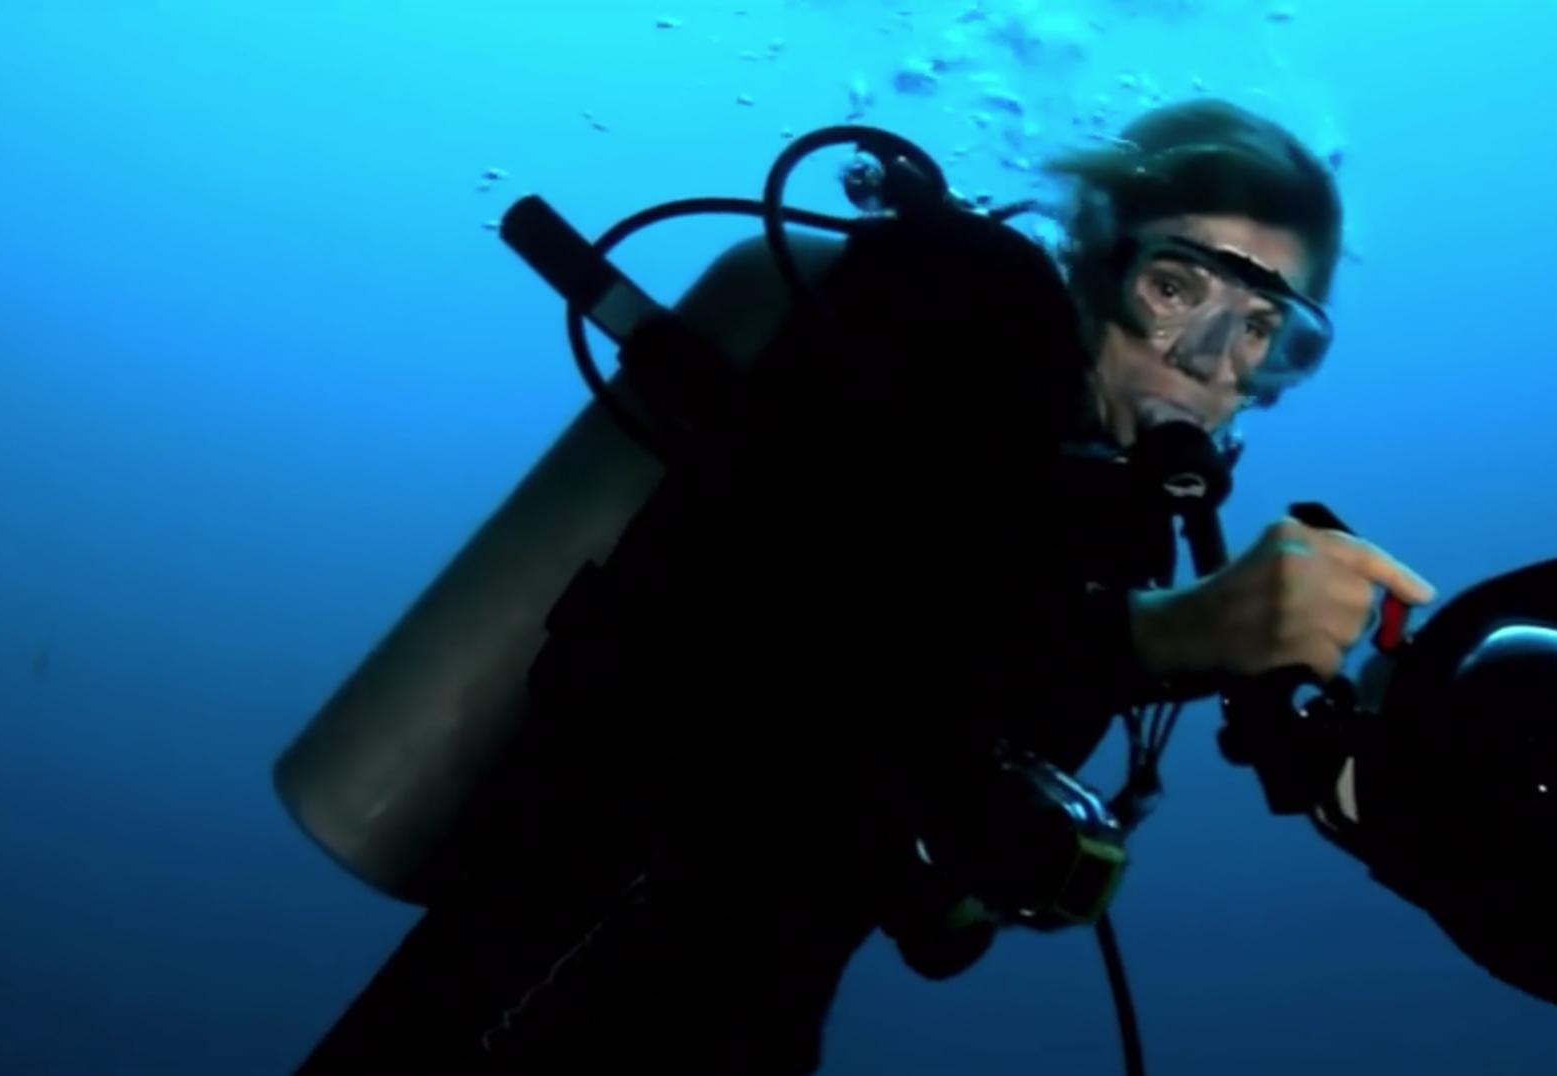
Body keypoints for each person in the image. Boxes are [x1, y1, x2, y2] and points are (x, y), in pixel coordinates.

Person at [293, 96, 1432, 1075]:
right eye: (1178, 286)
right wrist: (1159, 640)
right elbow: (817, 621)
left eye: (1266, 331)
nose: (1208, 359)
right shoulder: (955, 310)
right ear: (1095, 259)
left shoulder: (1109, 526)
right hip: (548, 963)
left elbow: (919, 827)